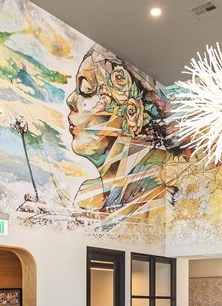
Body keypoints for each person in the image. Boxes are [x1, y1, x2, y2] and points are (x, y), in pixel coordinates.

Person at [65, 45, 183, 218]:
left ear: (131, 112)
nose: (70, 100)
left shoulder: (159, 193)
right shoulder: (87, 195)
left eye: (86, 89)